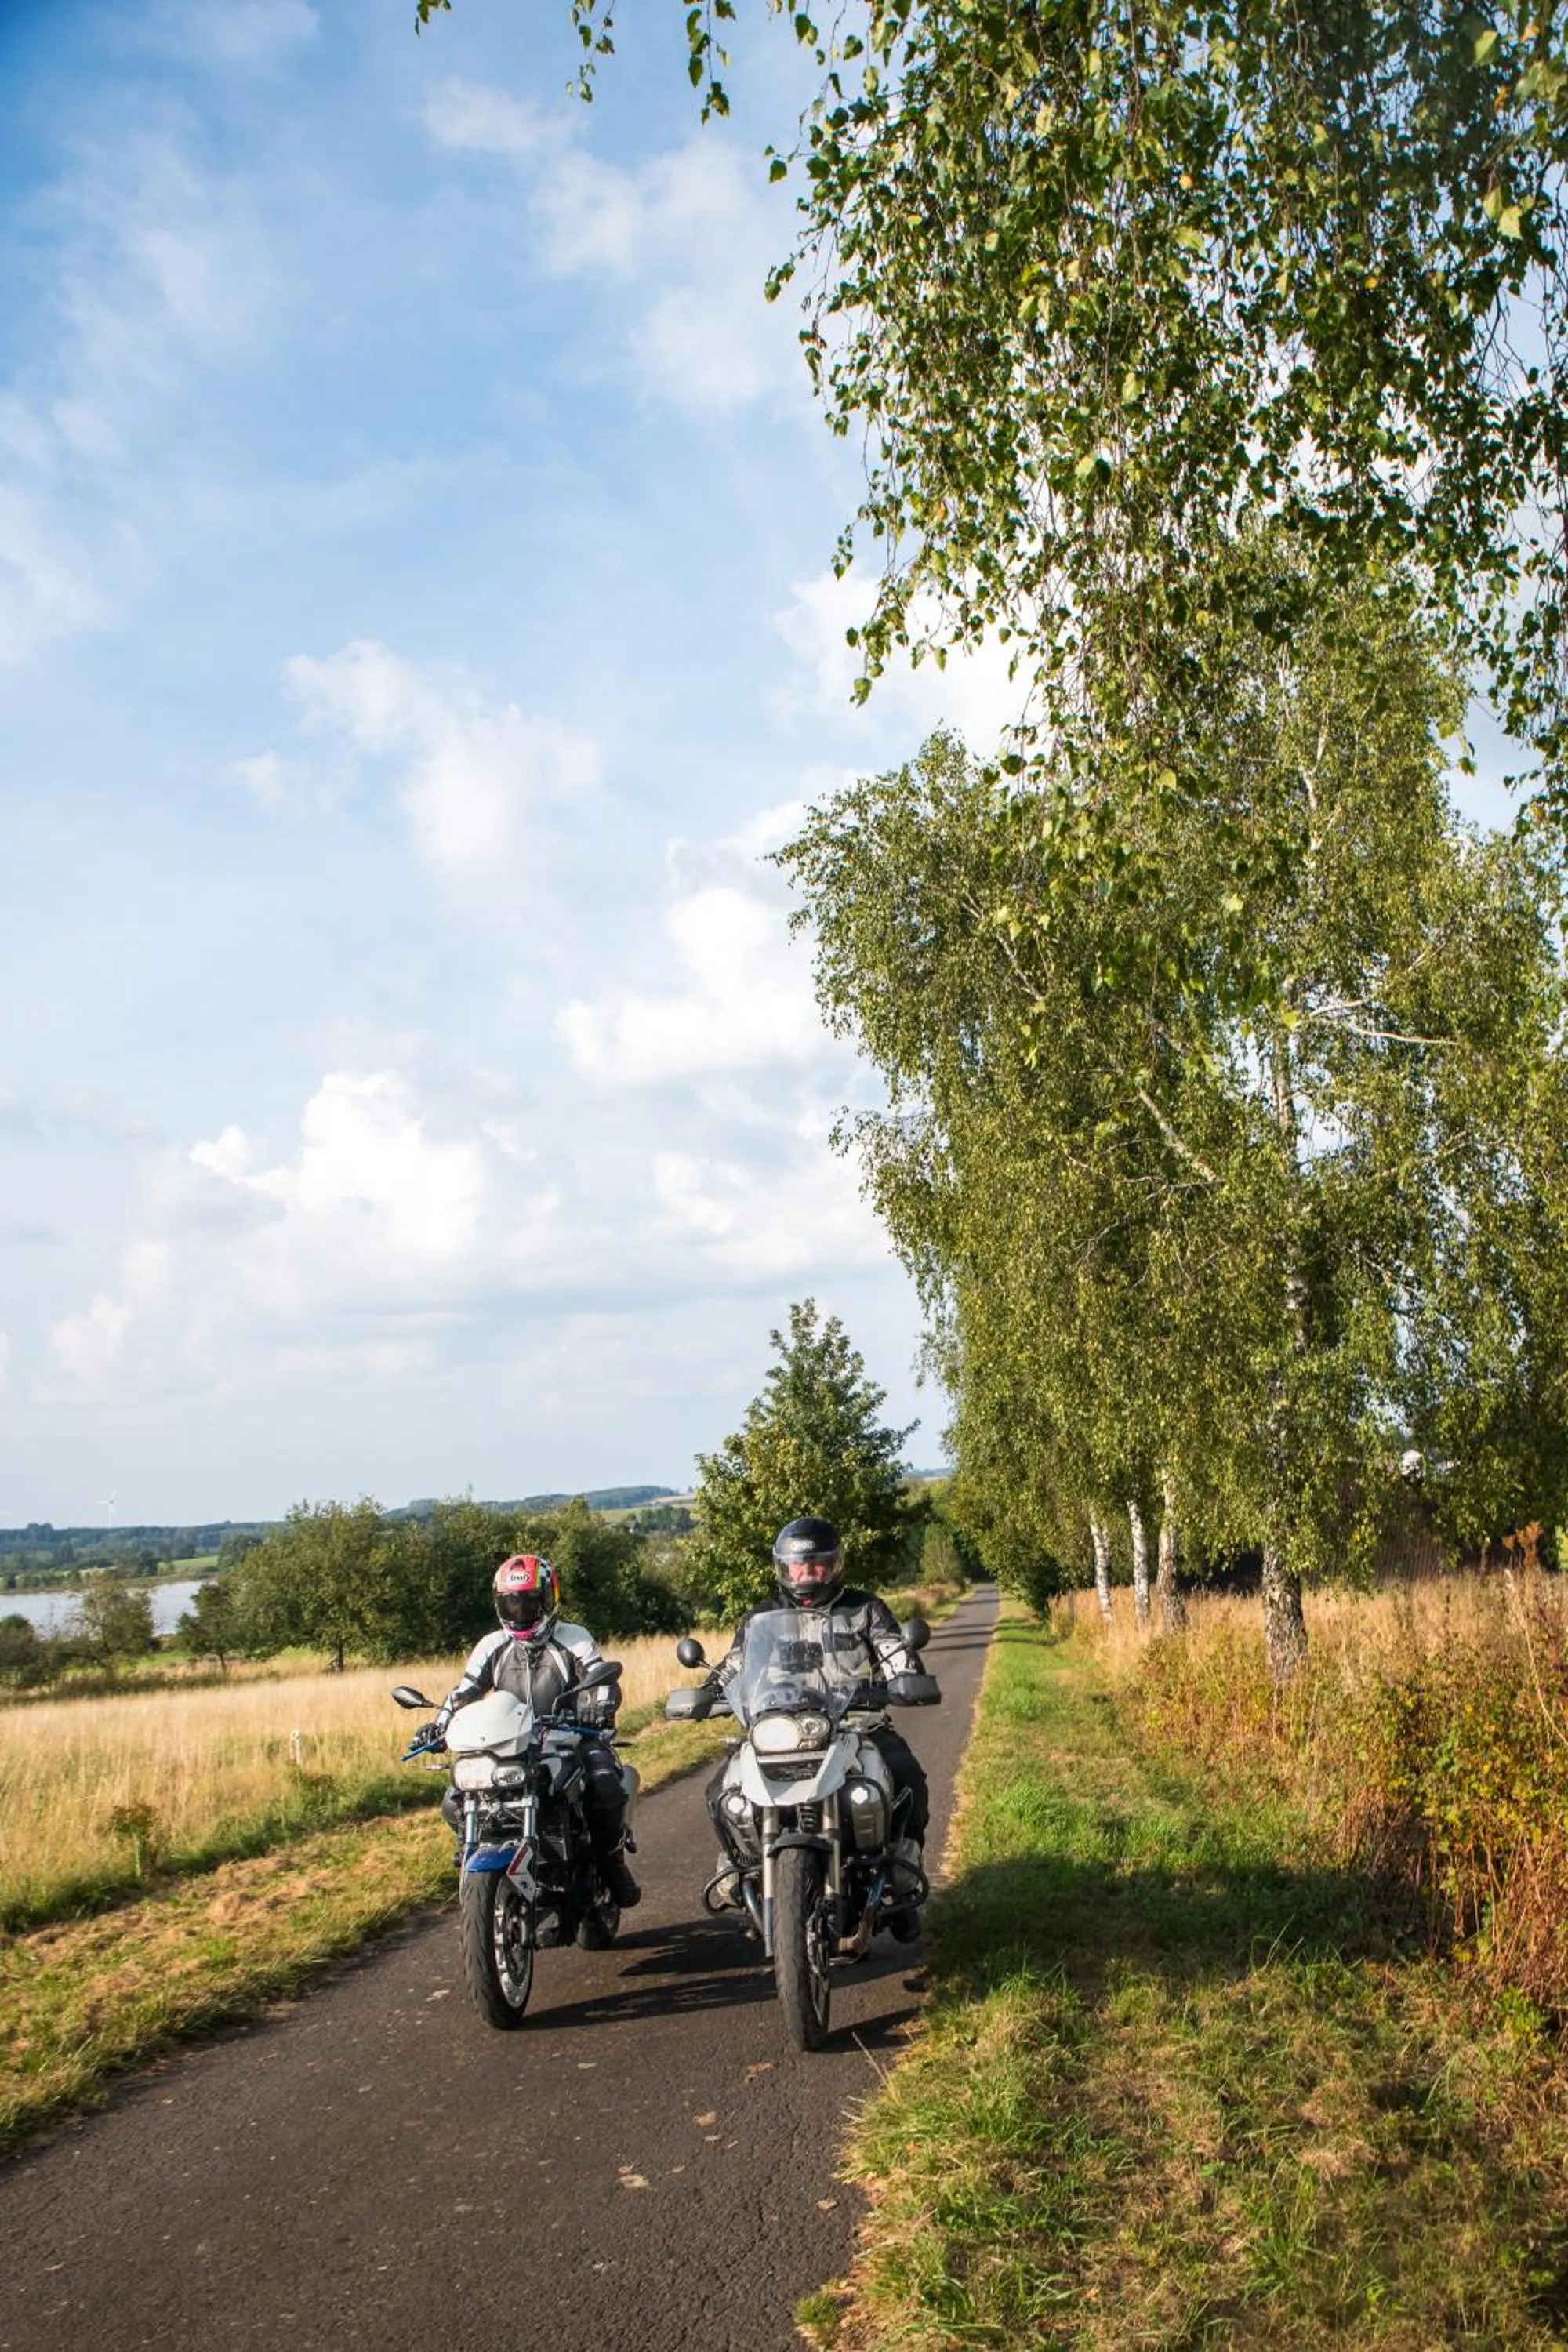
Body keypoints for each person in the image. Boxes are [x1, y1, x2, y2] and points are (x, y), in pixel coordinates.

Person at [702, 1515, 931, 1888]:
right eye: (798, 1564)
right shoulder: (763, 1616)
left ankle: (903, 1864)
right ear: (784, 1567)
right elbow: (735, 1665)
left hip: (857, 1724)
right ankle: (740, 1866)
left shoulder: (865, 1608)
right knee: (721, 1791)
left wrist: (906, 1678)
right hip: (779, 1730)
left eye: (816, 1563)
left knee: (907, 1776)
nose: (806, 1572)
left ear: (834, 1564)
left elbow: (894, 1652)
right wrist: (708, 1692)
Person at [431, 1554, 640, 1909]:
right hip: (510, 1745)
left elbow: (600, 1677)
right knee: (455, 1798)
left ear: (548, 1599)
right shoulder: (492, 1645)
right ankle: (474, 1852)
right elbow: (465, 1691)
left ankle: (611, 1863)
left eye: (529, 1602)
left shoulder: (574, 1638)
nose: (520, 1611)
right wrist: (438, 1724)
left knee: (604, 1787)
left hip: (572, 1737)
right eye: (511, 1603)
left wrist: (599, 1706)